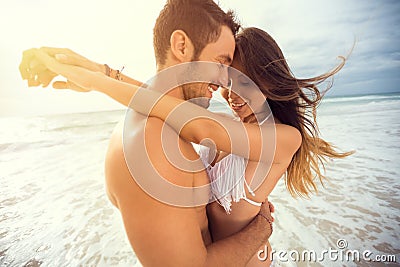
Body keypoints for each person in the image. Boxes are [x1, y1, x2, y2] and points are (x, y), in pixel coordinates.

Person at [19, 1, 277, 266]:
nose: (224, 80)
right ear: (181, 46)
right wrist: (261, 230)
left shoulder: (159, 121)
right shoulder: (153, 145)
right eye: (220, 63)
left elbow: (159, 102)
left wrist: (101, 72)